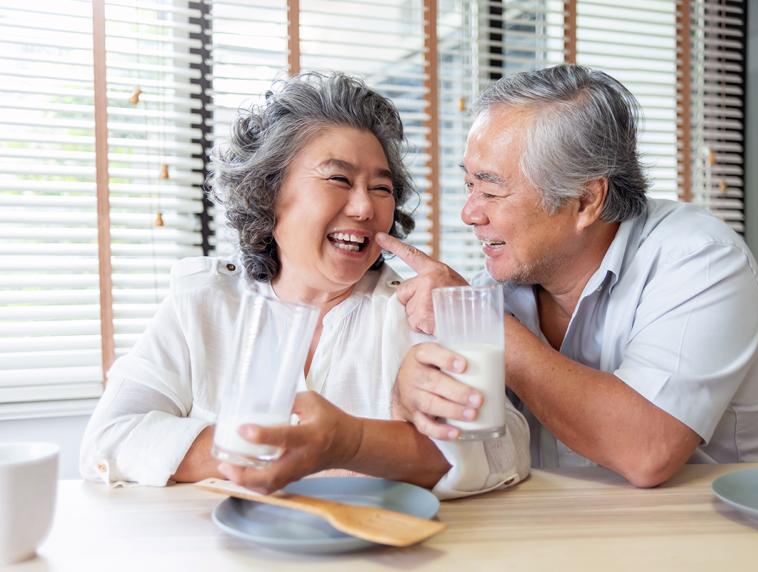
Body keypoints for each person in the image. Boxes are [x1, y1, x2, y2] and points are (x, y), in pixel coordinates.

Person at [79, 72, 530, 498]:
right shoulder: (202, 303)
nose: (363, 208)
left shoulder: (418, 311)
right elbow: (110, 438)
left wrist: (349, 445)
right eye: (338, 178)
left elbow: (502, 450)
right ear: (268, 191)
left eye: (381, 188)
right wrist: (283, 450)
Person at [378, 64, 758, 488]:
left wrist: (486, 326)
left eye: (492, 191)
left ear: (586, 200)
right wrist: (410, 399)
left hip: (716, 536)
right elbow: (463, 455)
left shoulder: (701, 259)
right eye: (469, 186)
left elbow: (646, 450)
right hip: (559, 535)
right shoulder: (495, 288)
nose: (469, 213)